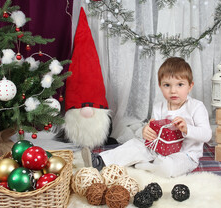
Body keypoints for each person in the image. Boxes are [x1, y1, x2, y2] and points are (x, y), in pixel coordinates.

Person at [82, 57, 212, 178]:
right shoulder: (159, 107)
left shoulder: (196, 107)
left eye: (180, 85)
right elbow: (153, 132)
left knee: (167, 167)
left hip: (185, 156)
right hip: (158, 150)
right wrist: (147, 131)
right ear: (160, 86)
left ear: (190, 86)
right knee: (135, 145)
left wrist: (187, 129)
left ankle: (143, 165)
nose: (173, 90)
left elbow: (206, 135)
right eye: (167, 85)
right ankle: (100, 161)